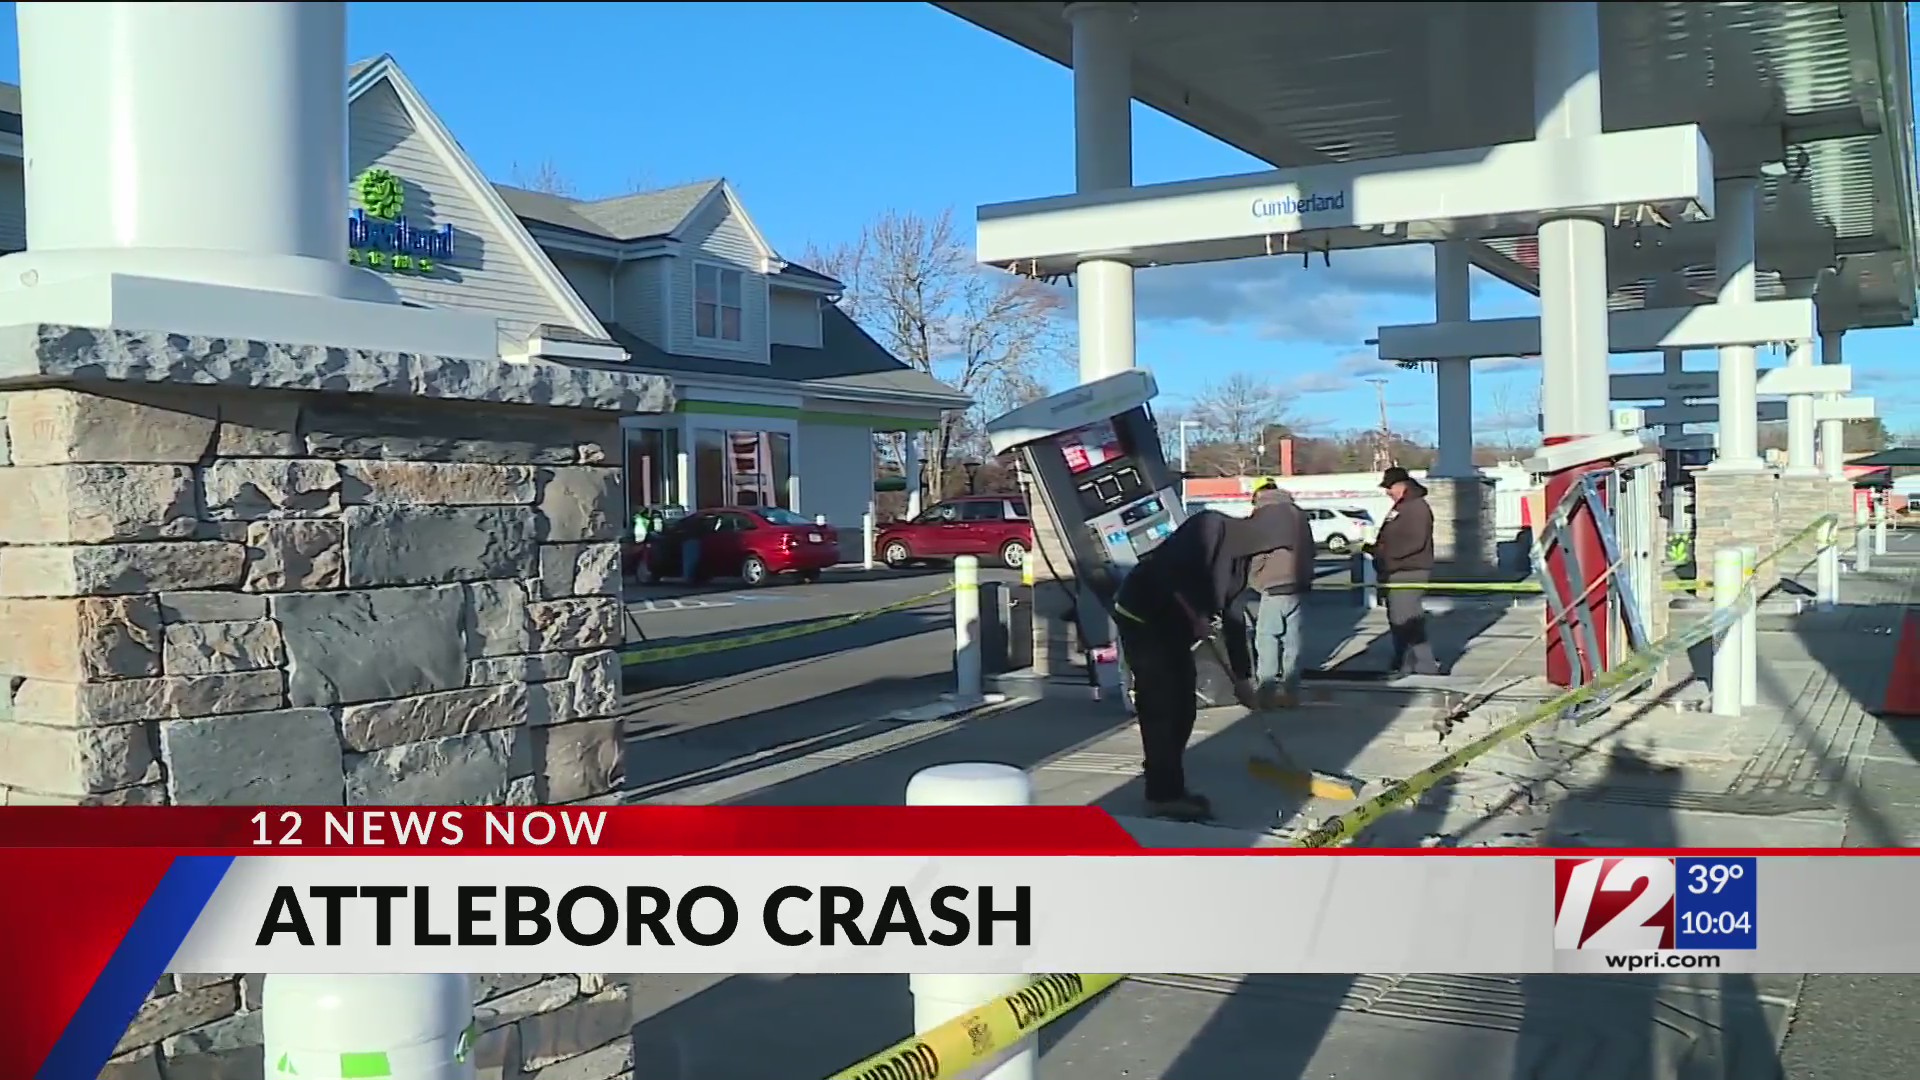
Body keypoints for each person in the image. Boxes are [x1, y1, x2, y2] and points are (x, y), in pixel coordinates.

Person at [1113, 505, 1290, 822]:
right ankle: (1162, 794)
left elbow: (1234, 619)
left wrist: (1242, 679)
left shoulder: (1241, 561)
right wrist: (1194, 613)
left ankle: (1163, 773)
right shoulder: (1210, 526)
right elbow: (1165, 572)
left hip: (1174, 630)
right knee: (1163, 706)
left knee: (1184, 708)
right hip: (1142, 617)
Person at [1246, 483, 1317, 709]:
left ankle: (1266, 691)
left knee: (1267, 639)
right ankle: (1291, 691)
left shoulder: (1262, 515)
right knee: (1293, 641)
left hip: (1273, 584)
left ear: (1259, 495)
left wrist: (1253, 579)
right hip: (1298, 583)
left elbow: (1257, 552)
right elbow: (1310, 549)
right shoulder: (1298, 514)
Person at [1372, 466, 1442, 676]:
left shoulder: (1416, 508)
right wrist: (1376, 549)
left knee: (1407, 617)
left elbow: (1414, 541)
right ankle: (1403, 661)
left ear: (1402, 486)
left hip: (1410, 569)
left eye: (1389, 487)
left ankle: (1425, 664)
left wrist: (1388, 554)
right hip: (1396, 569)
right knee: (1398, 617)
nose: (1387, 492)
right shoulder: (1401, 508)